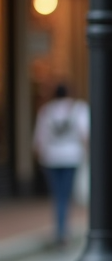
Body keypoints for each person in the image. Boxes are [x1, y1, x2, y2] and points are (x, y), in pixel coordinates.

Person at [33, 82, 89, 247]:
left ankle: (61, 230)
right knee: (65, 195)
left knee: (59, 195)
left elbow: (39, 139)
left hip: (51, 158)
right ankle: (62, 231)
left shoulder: (46, 111)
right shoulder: (79, 109)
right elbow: (84, 134)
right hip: (71, 157)